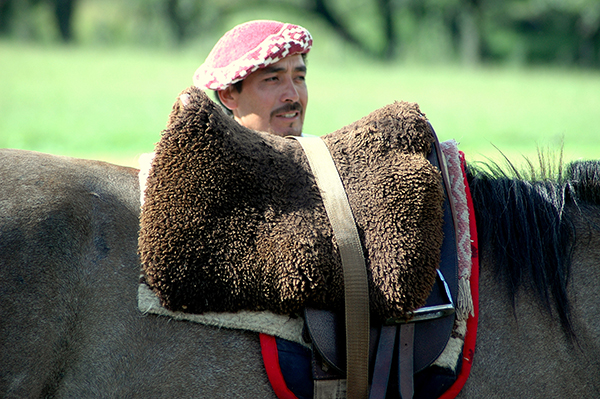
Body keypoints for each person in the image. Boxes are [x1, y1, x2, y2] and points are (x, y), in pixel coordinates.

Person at [192, 20, 312, 137]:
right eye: (273, 79)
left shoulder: (322, 154)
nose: (293, 96)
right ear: (228, 95)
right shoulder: (211, 157)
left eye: (299, 78)